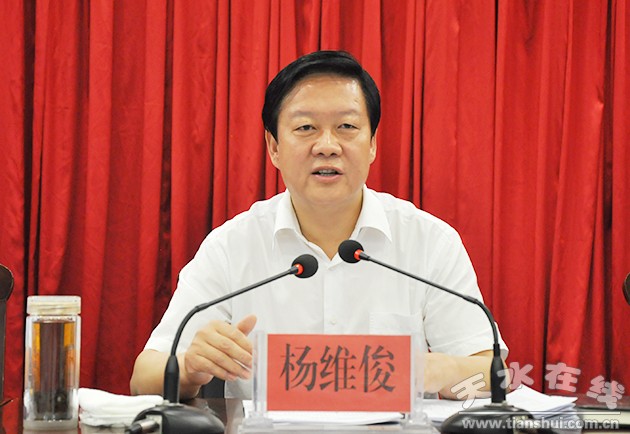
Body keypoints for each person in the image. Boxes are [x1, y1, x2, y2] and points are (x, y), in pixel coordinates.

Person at [130, 50, 508, 400]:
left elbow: (493, 377)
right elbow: (143, 377)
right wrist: (189, 369)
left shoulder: (429, 241)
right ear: (274, 147)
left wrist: (438, 371)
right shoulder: (232, 246)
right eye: (306, 128)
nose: (327, 145)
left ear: (372, 144)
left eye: (346, 126)